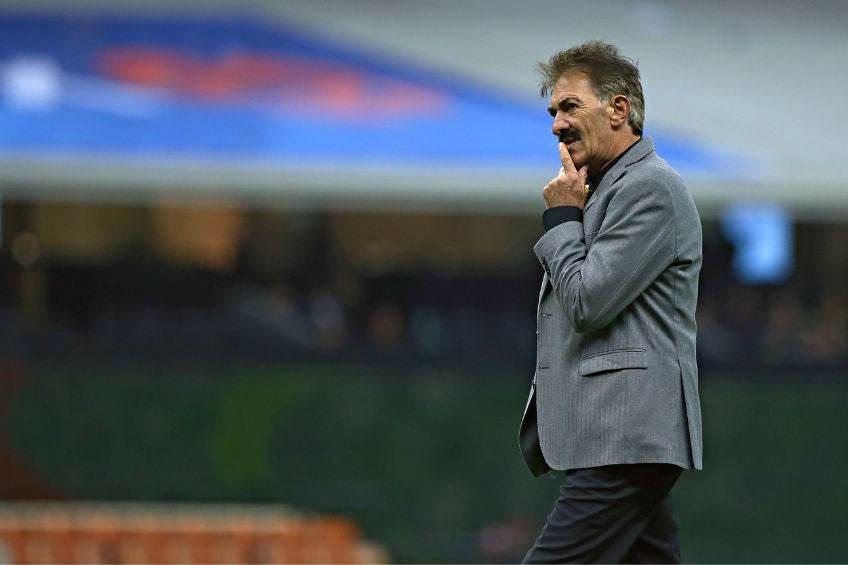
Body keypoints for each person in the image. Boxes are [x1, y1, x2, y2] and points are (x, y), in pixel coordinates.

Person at [518, 41, 703, 563]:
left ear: (619, 109)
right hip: (619, 435)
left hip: (625, 435)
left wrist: (561, 219)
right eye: (553, 113)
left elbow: (587, 302)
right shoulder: (605, 190)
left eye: (570, 107)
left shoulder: (650, 188)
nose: (557, 125)